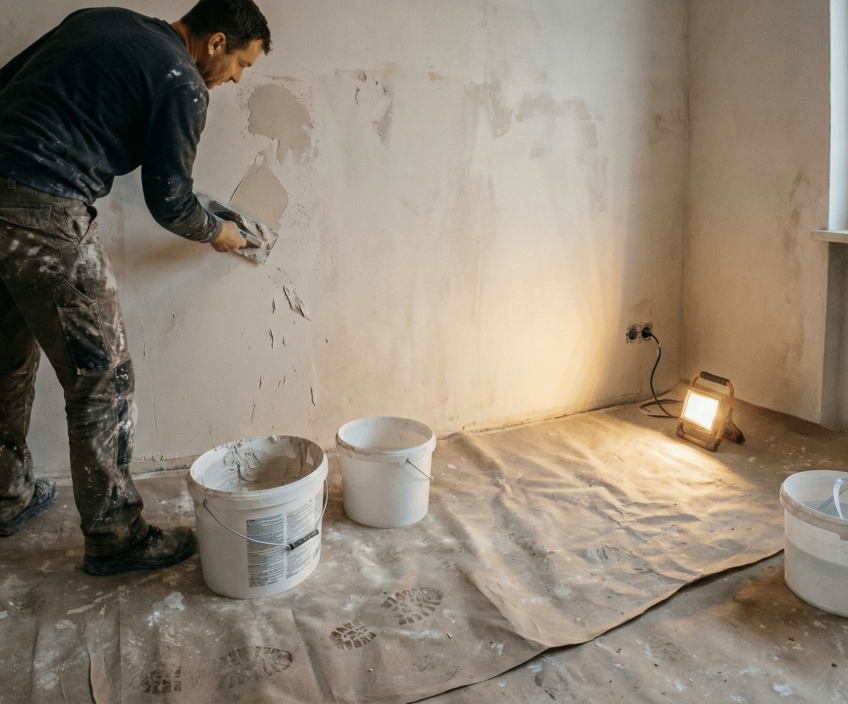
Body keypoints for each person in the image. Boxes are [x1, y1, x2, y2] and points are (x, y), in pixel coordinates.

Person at [0, 0, 271, 575]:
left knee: (6, 358)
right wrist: (216, 231)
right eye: (242, 65)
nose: (237, 80)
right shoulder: (182, 81)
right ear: (216, 42)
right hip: (44, 210)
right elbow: (169, 202)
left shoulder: (101, 19)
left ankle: (7, 496)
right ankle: (116, 536)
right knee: (103, 378)